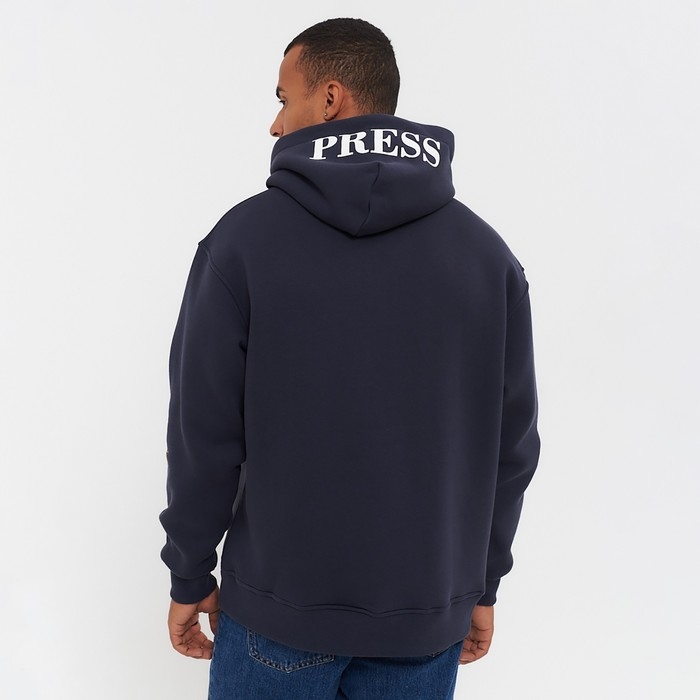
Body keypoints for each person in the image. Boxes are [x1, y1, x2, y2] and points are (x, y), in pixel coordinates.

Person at [159, 17, 540, 700]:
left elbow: (203, 434)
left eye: (284, 99)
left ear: (330, 98)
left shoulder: (242, 243)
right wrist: (482, 584)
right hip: (424, 621)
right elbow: (511, 448)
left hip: (277, 614)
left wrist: (190, 573)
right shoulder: (487, 259)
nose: (275, 125)